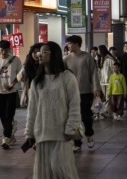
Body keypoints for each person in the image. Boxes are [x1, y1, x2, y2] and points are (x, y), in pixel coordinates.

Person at [25, 41, 82, 178]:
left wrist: (71, 127)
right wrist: (29, 133)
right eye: (40, 52)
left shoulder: (67, 77)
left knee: (60, 168)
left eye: (44, 52)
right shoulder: (37, 81)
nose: (39, 55)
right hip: (42, 132)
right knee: (44, 173)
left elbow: (74, 105)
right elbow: (32, 109)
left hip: (62, 133)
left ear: (54, 55)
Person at [63, 35, 101, 151]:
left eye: (69, 44)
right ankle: (77, 142)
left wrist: (96, 88)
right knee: (73, 118)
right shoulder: (66, 59)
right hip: (70, 93)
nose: (68, 46)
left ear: (76, 44)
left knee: (85, 116)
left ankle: (89, 135)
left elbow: (94, 73)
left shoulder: (87, 57)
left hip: (85, 91)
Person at [0, 39, 23, 149]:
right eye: (2, 50)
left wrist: (13, 83)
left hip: (11, 92)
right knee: (3, 115)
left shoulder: (15, 59)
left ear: (9, 49)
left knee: (9, 115)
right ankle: (8, 135)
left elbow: (20, 74)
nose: (3, 52)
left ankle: (7, 137)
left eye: (6, 50)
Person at [17, 43, 42, 109]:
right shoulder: (27, 66)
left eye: (38, 52)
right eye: (34, 52)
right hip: (30, 92)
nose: (36, 54)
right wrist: (20, 77)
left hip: (42, 92)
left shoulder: (45, 66)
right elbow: (19, 77)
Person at [97, 45, 116, 119]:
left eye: (98, 50)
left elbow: (113, 70)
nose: (97, 52)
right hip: (102, 82)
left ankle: (108, 112)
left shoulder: (110, 59)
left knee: (108, 98)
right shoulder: (100, 59)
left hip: (109, 82)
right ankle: (106, 112)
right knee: (103, 98)